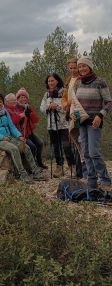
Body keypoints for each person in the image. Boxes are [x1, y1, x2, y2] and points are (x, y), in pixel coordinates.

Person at [0, 92, 47, 185]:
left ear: (3, 103)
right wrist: (2, 137)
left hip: (9, 136)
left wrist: (19, 136)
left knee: (26, 147)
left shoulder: (5, 112)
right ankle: (22, 174)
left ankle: (35, 171)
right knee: (14, 149)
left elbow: (12, 126)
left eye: (0, 102)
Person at [70, 56, 112, 191]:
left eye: (84, 66)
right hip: (82, 122)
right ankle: (92, 181)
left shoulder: (100, 82)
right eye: (79, 66)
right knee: (86, 152)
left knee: (94, 152)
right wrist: (72, 114)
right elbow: (75, 104)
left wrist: (100, 115)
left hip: (95, 122)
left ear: (90, 67)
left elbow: (109, 102)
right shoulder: (79, 84)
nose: (81, 69)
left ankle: (106, 180)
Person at [40, 74, 76, 178]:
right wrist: (49, 107)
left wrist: (58, 107)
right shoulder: (46, 94)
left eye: (52, 81)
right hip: (51, 124)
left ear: (57, 81)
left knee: (66, 145)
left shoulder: (64, 92)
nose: (50, 83)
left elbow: (69, 106)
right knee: (56, 146)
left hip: (64, 123)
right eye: (49, 81)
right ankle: (59, 166)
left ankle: (72, 165)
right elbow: (42, 108)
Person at [62, 58, 87, 179]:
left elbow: (78, 97)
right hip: (71, 112)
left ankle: (82, 169)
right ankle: (79, 169)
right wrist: (64, 104)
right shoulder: (68, 80)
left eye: (74, 68)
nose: (73, 70)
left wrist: (68, 103)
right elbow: (64, 96)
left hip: (79, 111)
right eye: (70, 68)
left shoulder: (80, 80)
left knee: (80, 139)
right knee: (76, 139)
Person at [14, 88, 48, 170]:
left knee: (40, 143)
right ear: (18, 98)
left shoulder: (29, 107)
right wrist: (21, 115)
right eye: (21, 97)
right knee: (32, 146)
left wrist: (31, 113)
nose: (23, 99)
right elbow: (13, 121)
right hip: (21, 133)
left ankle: (39, 161)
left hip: (30, 132)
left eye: (24, 97)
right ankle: (32, 165)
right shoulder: (15, 108)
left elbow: (36, 120)